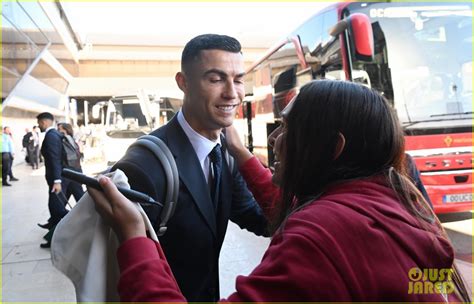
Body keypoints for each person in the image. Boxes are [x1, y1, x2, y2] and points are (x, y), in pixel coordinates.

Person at [89, 80, 470, 302]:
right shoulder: (399, 193)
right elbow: (419, 276)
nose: (274, 139)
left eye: (288, 130)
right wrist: (240, 154)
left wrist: (135, 239)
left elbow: (323, 234)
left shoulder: (322, 236)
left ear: (333, 149)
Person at [107, 34, 268, 301]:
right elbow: (132, 267)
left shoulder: (226, 154)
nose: (232, 92)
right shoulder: (145, 164)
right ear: (183, 83)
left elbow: (260, 219)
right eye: (216, 79)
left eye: (238, 79)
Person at [36, 113, 84, 248]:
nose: (39, 125)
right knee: (77, 201)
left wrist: (57, 181)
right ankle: (54, 236)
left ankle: (76, 227)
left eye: (40, 122)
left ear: (45, 122)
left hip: (61, 178)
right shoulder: (60, 135)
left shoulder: (51, 136)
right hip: (72, 174)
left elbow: (54, 159)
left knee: (56, 208)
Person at [57, 122, 84, 201]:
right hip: (75, 172)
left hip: (69, 173)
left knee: (61, 201)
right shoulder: (72, 139)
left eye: (59, 129)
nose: (57, 131)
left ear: (66, 130)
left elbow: (71, 158)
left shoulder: (65, 139)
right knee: (78, 198)